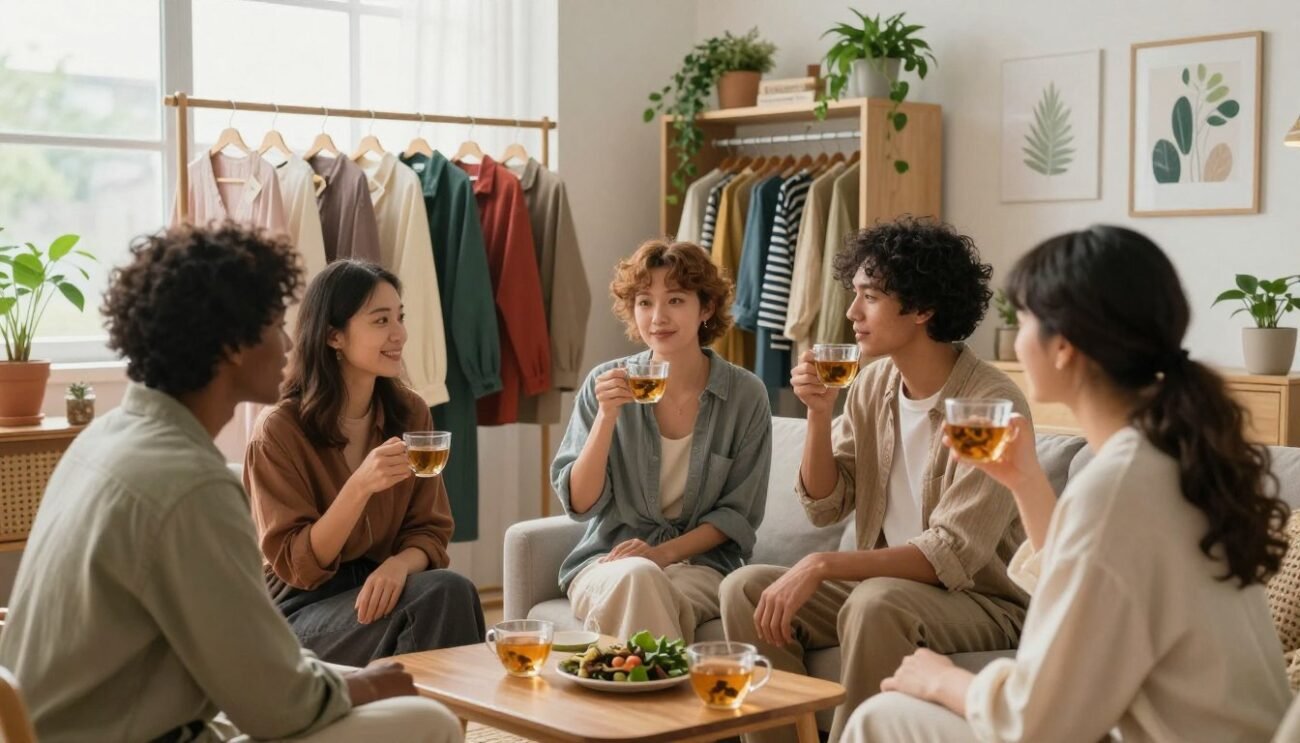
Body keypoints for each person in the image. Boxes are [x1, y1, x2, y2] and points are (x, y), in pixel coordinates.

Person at [0, 223, 460, 742]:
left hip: (86, 726)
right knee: (430, 722)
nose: (288, 341)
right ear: (231, 344)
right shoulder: (191, 485)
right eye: (274, 324)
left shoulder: (101, 439)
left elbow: (241, 668)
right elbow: (276, 706)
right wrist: (367, 686)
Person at [846, 226, 1292, 742]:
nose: (1016, 340)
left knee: (880, 717)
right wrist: (1026, 482)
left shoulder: (1118, 488)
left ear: (1063, 346)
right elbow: (1083, 590)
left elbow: (1035, 723)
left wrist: (943, 680)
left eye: (1024, 321)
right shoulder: (1170, 460)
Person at [719, 217, 1031, 743]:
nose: (851, 312)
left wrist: (821, 564)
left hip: (981, 601)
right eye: (854, 294)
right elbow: (826, 504)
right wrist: (819, 414)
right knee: (745, 590)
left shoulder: (991, 403)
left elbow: (950, 553)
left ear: (922, 309)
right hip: (887, 589)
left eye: (870, 297)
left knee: (876, 601)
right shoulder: (873, 385)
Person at [244, 259, 484, 666]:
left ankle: (423, 709)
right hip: (300, 611)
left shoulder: (410, 413)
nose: (399, 334)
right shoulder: (279, 431)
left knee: (451, 590)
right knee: (440, 596)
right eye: (381, 320)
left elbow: (430, 529)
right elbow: (298, 566)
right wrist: (359, 487)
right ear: (334, 336)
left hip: (382, 589)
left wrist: (398, 565)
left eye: (400, 317)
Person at [551, 238, 772, 643]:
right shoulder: (604, 384)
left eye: (675, 300)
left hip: (702, 567)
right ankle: (665, 683)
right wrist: (606, 417)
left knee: (644, 581)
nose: (657, 317)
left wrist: (661, 555)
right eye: (644, 302)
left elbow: (738, 516)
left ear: (706, 308)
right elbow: (580, 504)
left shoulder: (745, 396)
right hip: (609, 562)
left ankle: (618, 678)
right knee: (638, 578)